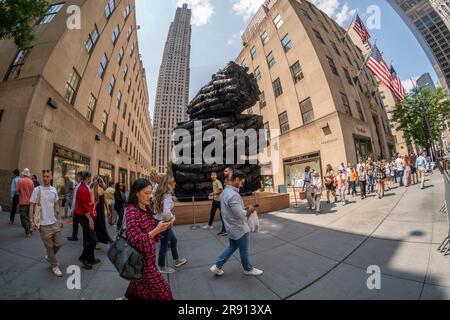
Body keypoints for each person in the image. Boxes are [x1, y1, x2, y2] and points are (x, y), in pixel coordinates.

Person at [124, 179, 173, 300]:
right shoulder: (132, 211)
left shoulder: (146, 208)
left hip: (149, 259)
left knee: (138, 287)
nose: (149, 196)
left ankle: (127, 297)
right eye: (146, 193)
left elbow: (152, 236)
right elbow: (135, 239)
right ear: (136, 193)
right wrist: (157, 230)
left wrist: (162, 227)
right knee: (164, 292)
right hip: (142, 263)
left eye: (150, 192)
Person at [210, 171, 263, 277]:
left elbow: (232, 210)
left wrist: (243, 208)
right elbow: (240, 215)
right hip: (239, 228)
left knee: (231, 246)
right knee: (244, 250)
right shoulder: (233, 195)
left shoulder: (225, 192)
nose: (242, 184)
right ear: (237, 180)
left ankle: (217, 266)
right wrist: (250, 210)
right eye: (241, 182)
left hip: (231, 227)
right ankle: (248, 269)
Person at [29, 170, 64, 277]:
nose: (45, 178)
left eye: (47, 176)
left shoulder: (53, 190)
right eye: (44, 176)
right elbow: (31, 205)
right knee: (49, 247)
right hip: (43, 225)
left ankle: (49, 257)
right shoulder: (37, 190)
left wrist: (60, 219)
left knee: (58, 244)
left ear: (51, 177)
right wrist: (32, 221)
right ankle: (54, 265)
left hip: (54, 222)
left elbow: (56, 205)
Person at [154, 176, 187, 274]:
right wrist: (172, 220)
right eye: (173, 181)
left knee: (173, 240)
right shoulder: (167, 196)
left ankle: (177, 260)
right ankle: (161, 266)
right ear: (167, 184)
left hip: (159, 221)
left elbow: (157, 210)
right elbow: (166, 213)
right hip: (165, 223)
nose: (175, 183)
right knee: (164, 245)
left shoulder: (160, 194)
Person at [75, 171, 99, 270]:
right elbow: (84, 207)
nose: (90, 179)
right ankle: (84, 258)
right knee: (92, 238)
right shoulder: (83, 189)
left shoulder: (84, 187)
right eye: (89, 178)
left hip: (85, 214)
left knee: (89, 237)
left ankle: (91, 258)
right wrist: (90, 219)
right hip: (83, 216)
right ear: (87, 178)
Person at [91, 176, 113, 250]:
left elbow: (94, 202)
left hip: (95, 210)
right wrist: (108, 210)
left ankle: (97, 243)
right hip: (100, 211)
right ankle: (107, 240)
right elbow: (105, 201)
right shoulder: (101, 190)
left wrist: (92, 210)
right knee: (101, 226)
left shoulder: (92, 190)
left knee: (95, 227)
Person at [16, 168, 35, 237]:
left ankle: (28, 230)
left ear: (23, 174)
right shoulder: (31, 182)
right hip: (30, 202)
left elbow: (17, 190)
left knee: (23, 217)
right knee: (28, 216)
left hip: (23, 202)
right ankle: (30, 228)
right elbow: (33, 192)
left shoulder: (20, 181)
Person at [68, 172, 81, 241]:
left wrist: (72, 209)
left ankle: (74, 236)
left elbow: (75, 199)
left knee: (76, 222)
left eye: (77, 176)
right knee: (75, 223)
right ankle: (74, 236)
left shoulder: (79, 186)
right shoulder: (78, 185)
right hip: (77, 207)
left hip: (77, 208)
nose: (76, 177)